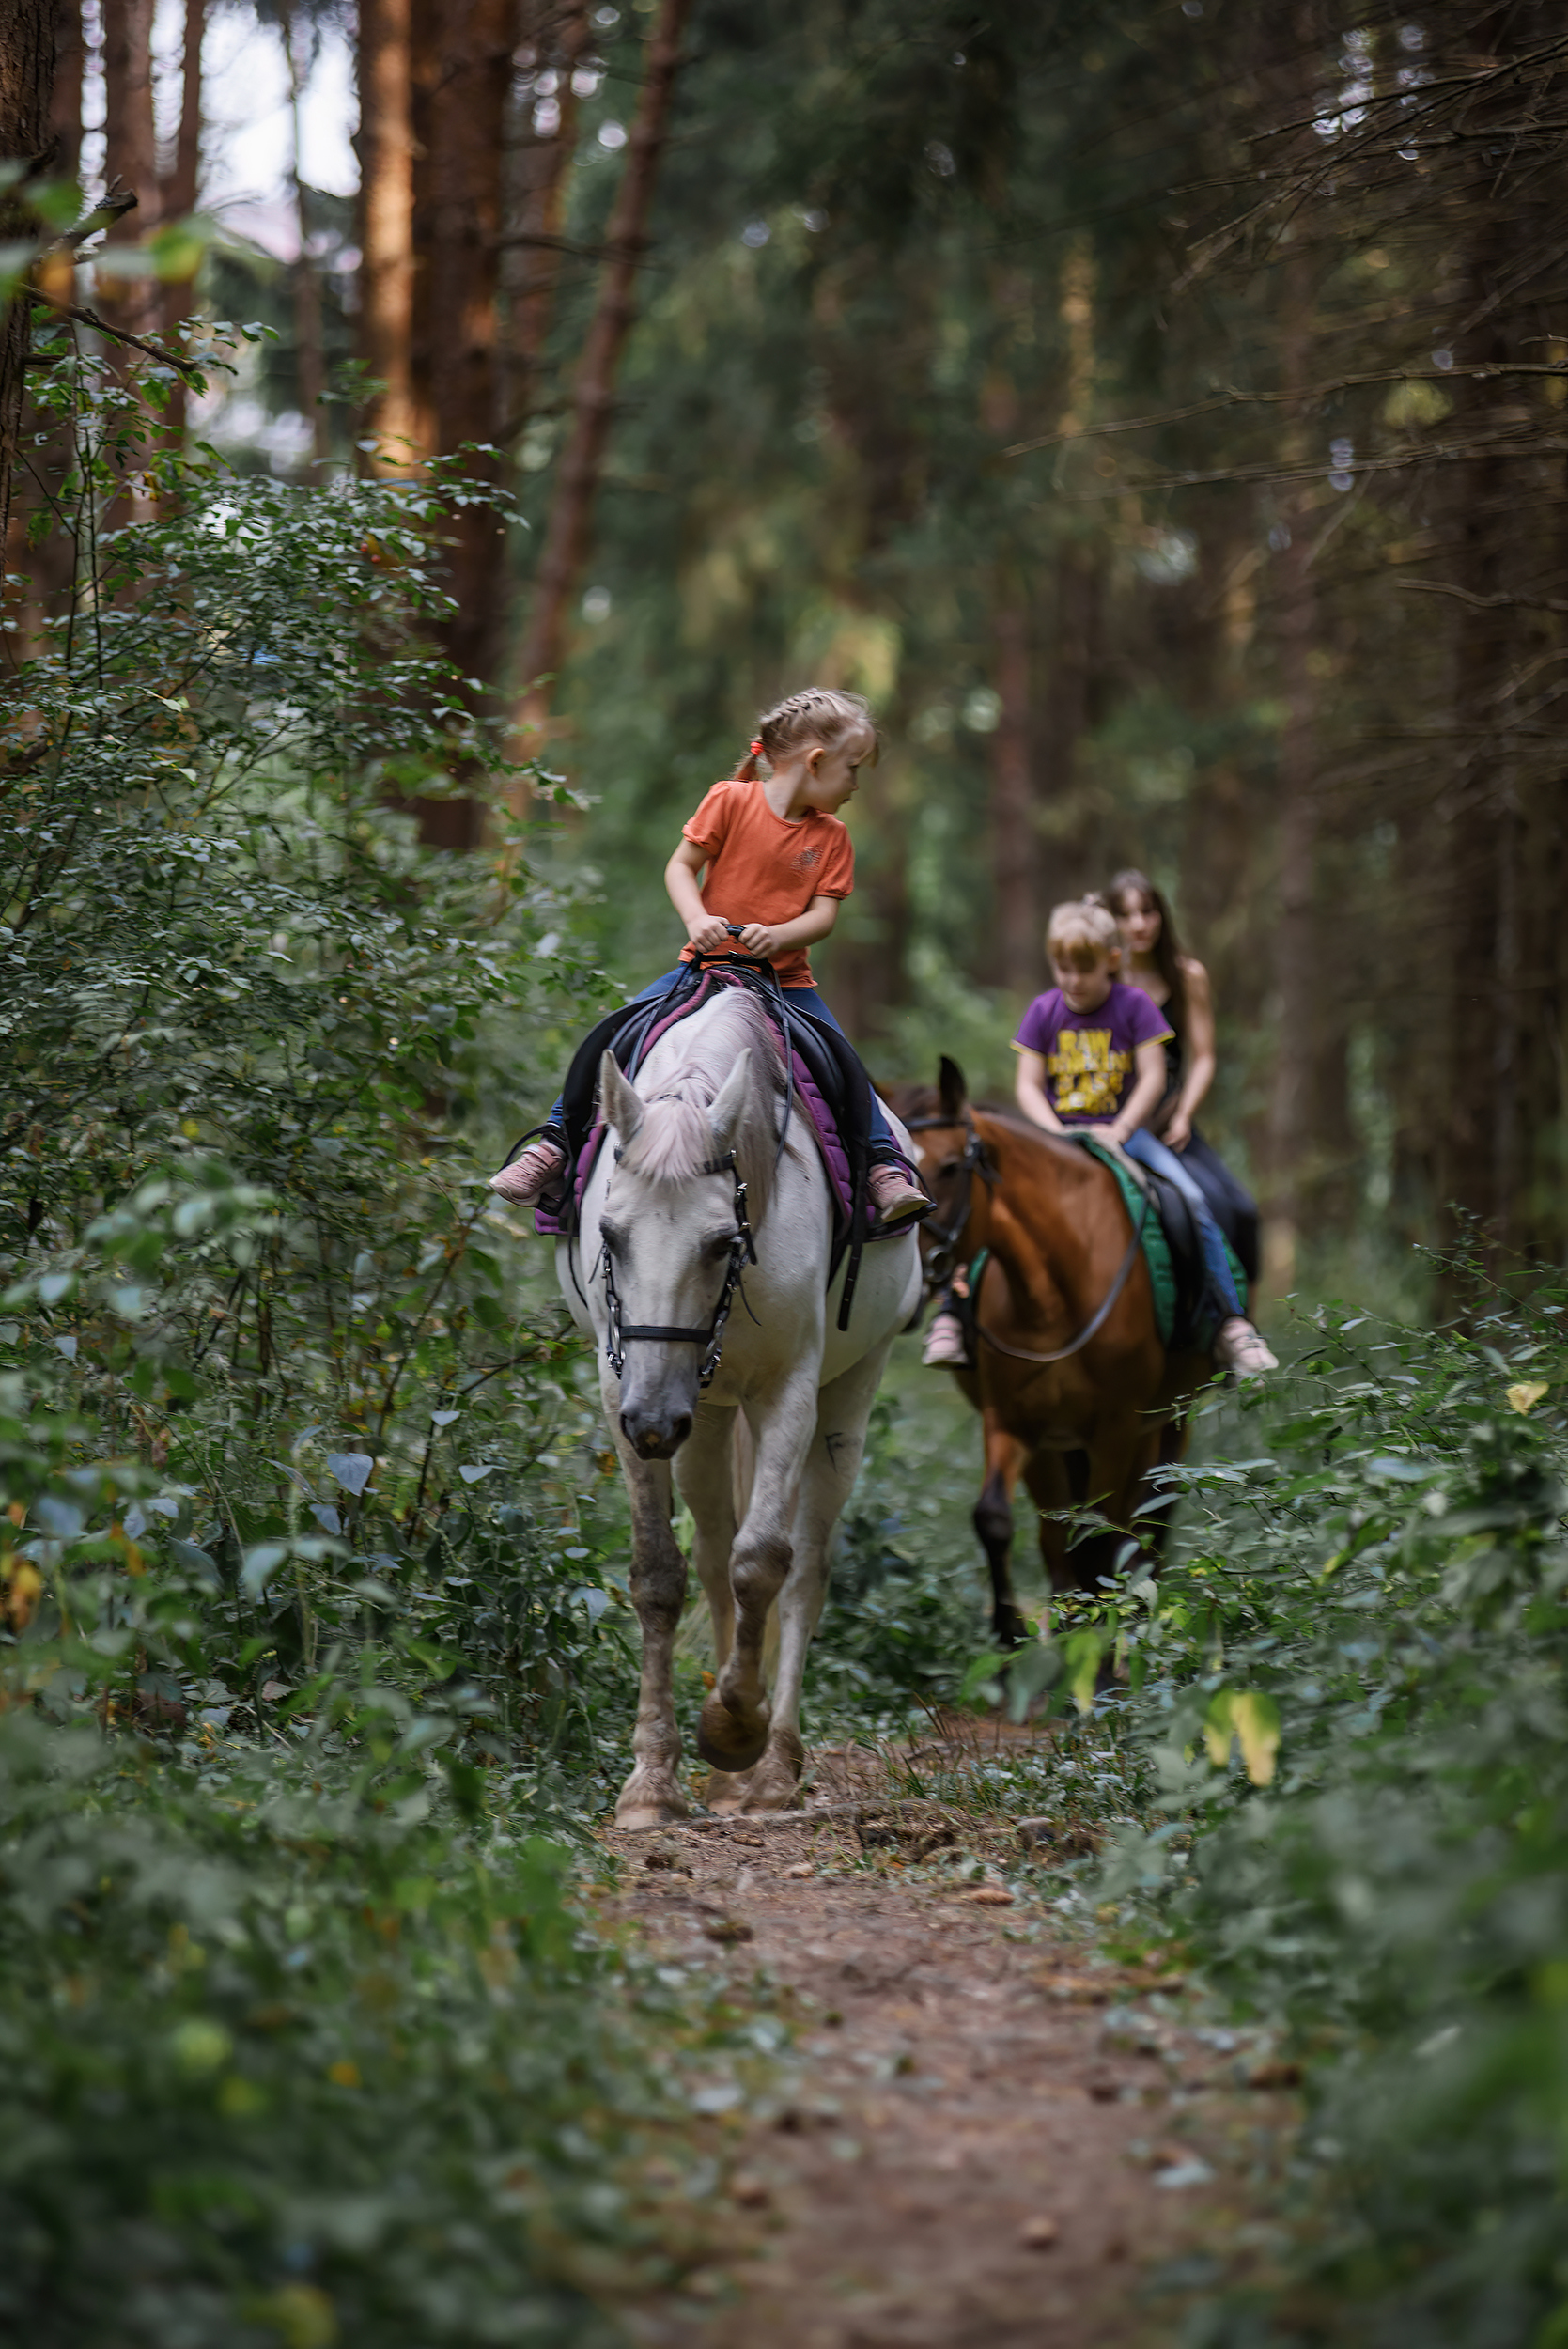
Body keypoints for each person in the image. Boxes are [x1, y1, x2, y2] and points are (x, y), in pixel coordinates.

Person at [489, 688, 930, 1230]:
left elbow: (824, 916)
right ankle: (552, 1147)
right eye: (853, 768)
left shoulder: (832, 837)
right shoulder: (728, 799)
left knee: (844, 1064)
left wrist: (781, 935)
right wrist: (697, 920)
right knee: (612, 1038)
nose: (857, 785)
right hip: (701, 971)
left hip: (786, 983)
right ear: (816, 762)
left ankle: (883, 1169)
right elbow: (680, 867)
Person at [923, 898, 1276, 1377]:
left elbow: (1153, 1076)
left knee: (1190, 1199)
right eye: (1062, 967)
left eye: (1083, 969)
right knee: (990, 1201)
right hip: (1057, 1137)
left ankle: (1229, 1322)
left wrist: (1121, 1129)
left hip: (1125, 1136)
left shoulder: (1135, 1006)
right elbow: (1028, 1083)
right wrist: (1051, 1133)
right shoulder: (1044, 1010)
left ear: (1111, 961)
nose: (1071, 979)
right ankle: (951, 1315)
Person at [1103, 866, 1260, 1287]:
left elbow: (1204, 1056)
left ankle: (1237, 1316)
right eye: (1127, 914)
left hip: (1167, 1119)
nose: (1139, 925)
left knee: (1239, 1209)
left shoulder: (1187, 975)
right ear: (1111, 921)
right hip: (1107, 1118)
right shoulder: (1103, 978)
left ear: (1162, 915)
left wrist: (1184, 1115)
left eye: (1148, 912)